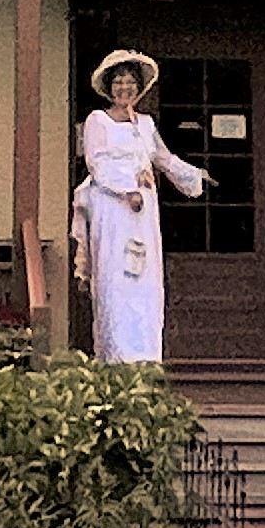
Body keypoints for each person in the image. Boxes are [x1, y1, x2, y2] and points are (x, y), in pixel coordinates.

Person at [70, 49, 205, 364]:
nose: (124, 88)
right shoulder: (98, 121)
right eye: (118, 82)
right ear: (109, 86)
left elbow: (163, 158)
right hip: (112, 206)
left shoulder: (145, 123)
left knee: (143, 277)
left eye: (130, 82)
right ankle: (116, 356)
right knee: (115, 276)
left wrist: (194, 176)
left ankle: (144, 354)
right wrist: (126, 189)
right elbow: (97, 162)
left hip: (143, 208)